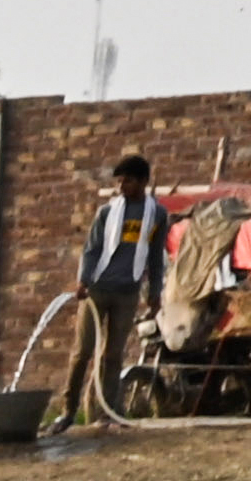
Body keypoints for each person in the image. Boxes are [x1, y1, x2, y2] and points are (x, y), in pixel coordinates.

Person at [71, 152, 167, 426]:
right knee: (83, 351)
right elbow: (92, 250)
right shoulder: (107, 212)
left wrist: (154, 293)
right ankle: (69, 409)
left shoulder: (157, 214)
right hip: (98, 290)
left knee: (113, 355)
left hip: (127, 292)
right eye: (119, 182)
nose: (121, 187)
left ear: (143, 182)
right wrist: (83, 280)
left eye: (127, 182)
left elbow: (155, 257)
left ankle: (106, 413)